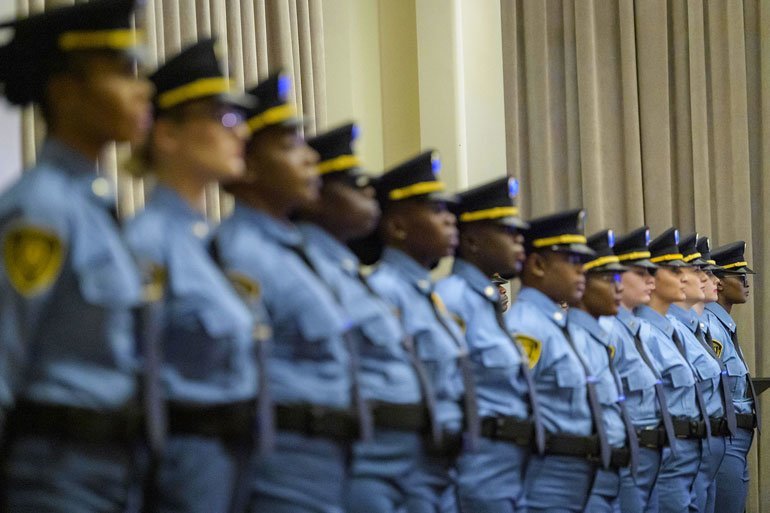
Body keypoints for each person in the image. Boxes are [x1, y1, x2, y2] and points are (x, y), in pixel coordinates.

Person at [0, 1, 155, 510]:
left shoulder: (97, 204)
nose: (143, 88)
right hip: (55, 477)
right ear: (65, 92)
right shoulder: (40, 208)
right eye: (122, 72)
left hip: (115, 470)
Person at [124, 38, 261, 513]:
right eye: (223, 119)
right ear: (167, 134)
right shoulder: (149, 242)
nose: (239, 132)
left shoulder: (210, 242)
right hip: (183, 466)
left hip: (234, 458)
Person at [215, 71, 359, 513]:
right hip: (281, 468)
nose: (310, 158)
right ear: (249, 163)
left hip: (329, 463)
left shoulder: (298, 253)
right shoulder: (241, 253)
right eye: (289, 146)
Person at [295, 122, 430, 513]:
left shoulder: (349, 272)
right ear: (316, 197)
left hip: (402, 461)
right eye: (354, 183)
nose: (370, 192)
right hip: (354, 461)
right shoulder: (309, 268)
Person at [354, 150, 474, 513]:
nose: (450, 221)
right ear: (397, 227)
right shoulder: (382, 290)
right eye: (436, 211)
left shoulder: (428, 295)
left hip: (440, 470)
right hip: (402, 467)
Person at [436, 177, 542, 512]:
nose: (519, 241)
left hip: (508, 472)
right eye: (507, 232)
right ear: (471, 241)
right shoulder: (451, 301)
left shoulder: (487, 303)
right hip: (475, 475)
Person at [504, 209, 603, 513]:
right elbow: (511, 418)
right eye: (572, 262)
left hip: (579, 475)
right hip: (545, 482)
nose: (581, 271)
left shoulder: (557, 325)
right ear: (536, 264)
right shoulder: (526, 328)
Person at [598, 226, 673, 513]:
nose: (650, 281)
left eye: (651, 273)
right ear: (617, 276)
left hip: (656, 456)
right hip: (630, 456)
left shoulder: (641, 329)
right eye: (640, 274)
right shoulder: (606, 330)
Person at [634, 228, 705, 513]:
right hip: (666, 459)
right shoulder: (643, 333)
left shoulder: (674, 329)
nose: (685, 278)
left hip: (691, 456)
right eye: (674, 271)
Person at [568, 230, 638, 512]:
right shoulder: (570, 338)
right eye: (610, 280)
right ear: (582, 284)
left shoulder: (598, 339)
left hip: (617, 474)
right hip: (583, 476)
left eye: (620, 279)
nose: (618, 288)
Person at [669, 234, 730, 513]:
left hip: (706, 457)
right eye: (699, 271)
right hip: (682, 458)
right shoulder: (669, 331)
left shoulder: (696, 330)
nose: (712, 279)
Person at [706, 240, 760, 513]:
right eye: (739, 277)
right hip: (725, 437)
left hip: (737, 437)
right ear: (718, 283)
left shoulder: (724, 324)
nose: (746, 283)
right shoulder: (711, 326)